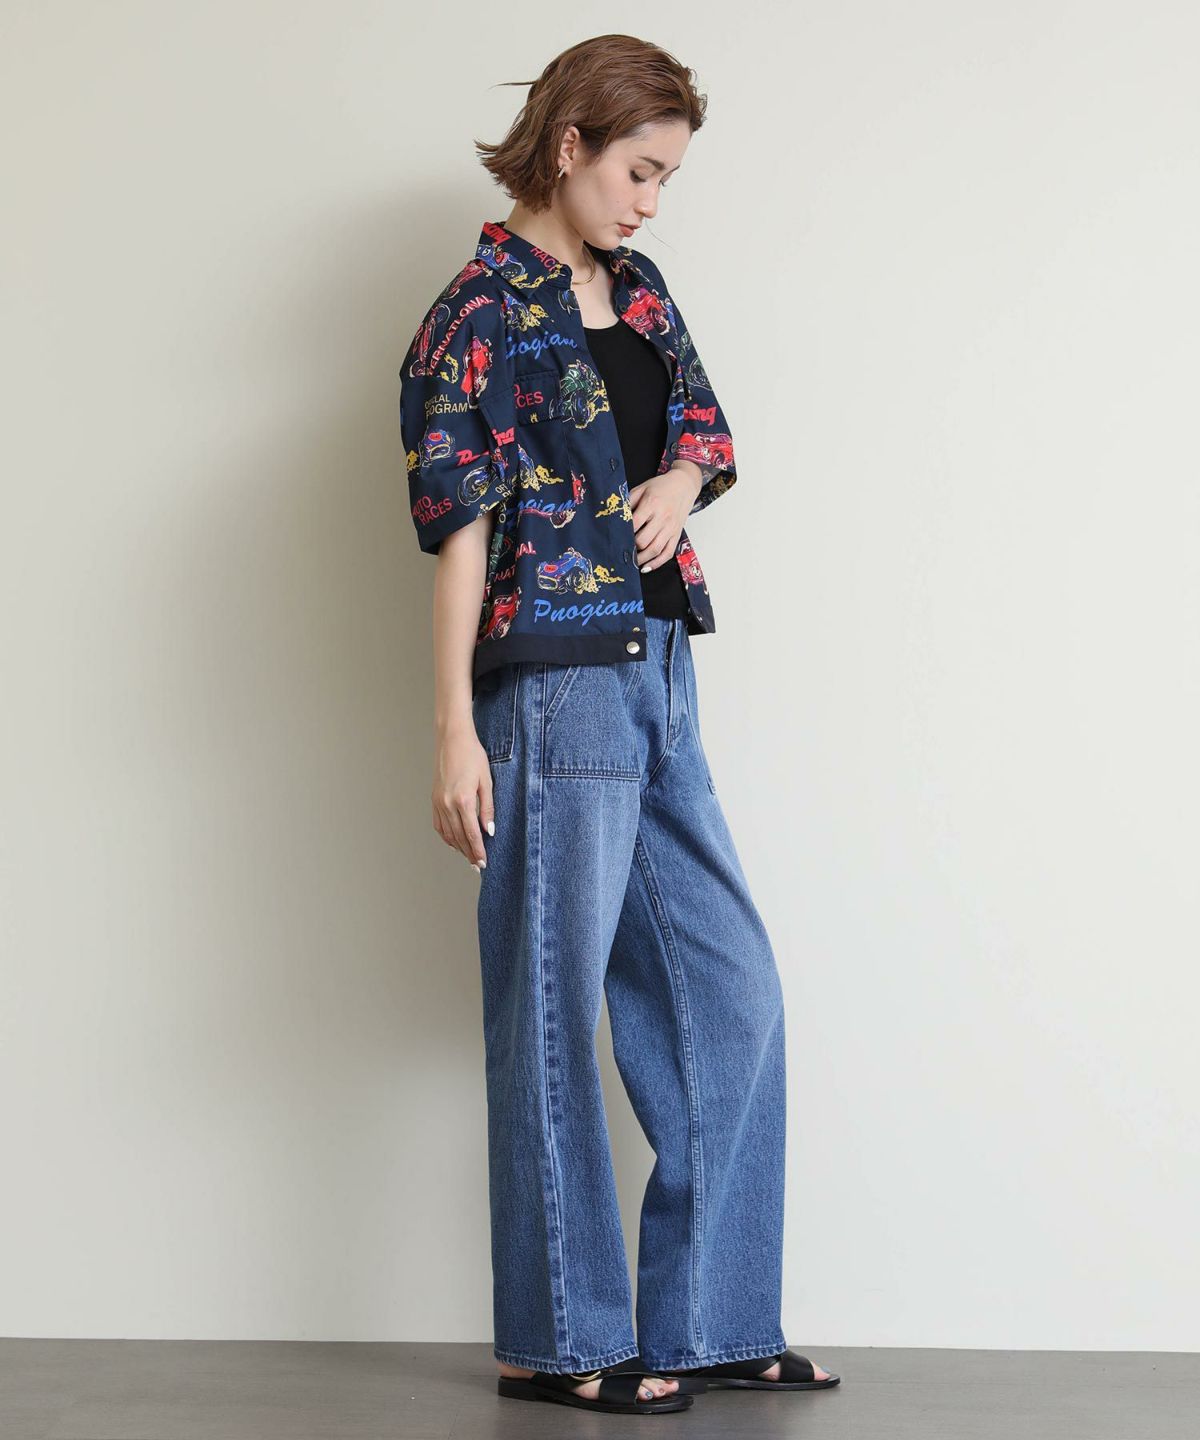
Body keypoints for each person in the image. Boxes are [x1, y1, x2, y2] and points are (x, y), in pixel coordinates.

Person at [398, 33, 841, 1417]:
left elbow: (703, 428)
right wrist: (454, 732)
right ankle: (561, 1339)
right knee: (548, 1007)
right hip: (550, 682)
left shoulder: (638, 291)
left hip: (657, 670)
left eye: (667, 179)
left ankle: (710, 1319)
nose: (652, 202)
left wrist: (681, 485)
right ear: (570, 144)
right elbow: (458, 533)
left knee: (728, 987)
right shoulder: (474, 314)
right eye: (640, 171)